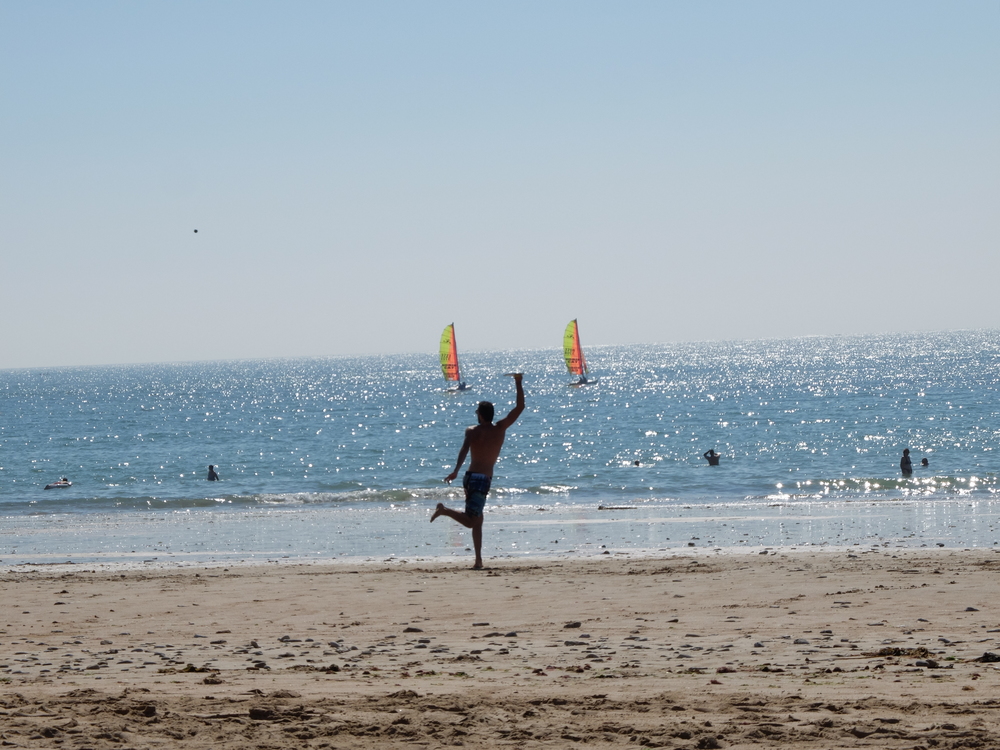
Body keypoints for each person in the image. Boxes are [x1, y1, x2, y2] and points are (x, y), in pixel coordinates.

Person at [432, 373, 526, 569]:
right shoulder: (500, 429)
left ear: (481, 415)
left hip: (471, 477)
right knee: (471, 521)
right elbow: (519, 408)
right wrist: (518, 382)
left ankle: (478, 560)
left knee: (478, 519)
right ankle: (444, 510)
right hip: (481, 480)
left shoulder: (472, 431)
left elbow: (464, 449)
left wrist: (456, 471)